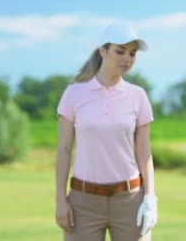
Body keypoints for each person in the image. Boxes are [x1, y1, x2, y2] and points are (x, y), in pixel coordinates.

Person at [55, 22, 157, 240]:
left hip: (130, 200)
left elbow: (144, 153)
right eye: (120, 51)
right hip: (83, 203)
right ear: (103, 51)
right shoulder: (73, 94)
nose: (127, 59)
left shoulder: (137, 95)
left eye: (132, 53)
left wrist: (150, 198)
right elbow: (64, 150)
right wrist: (60, 200)